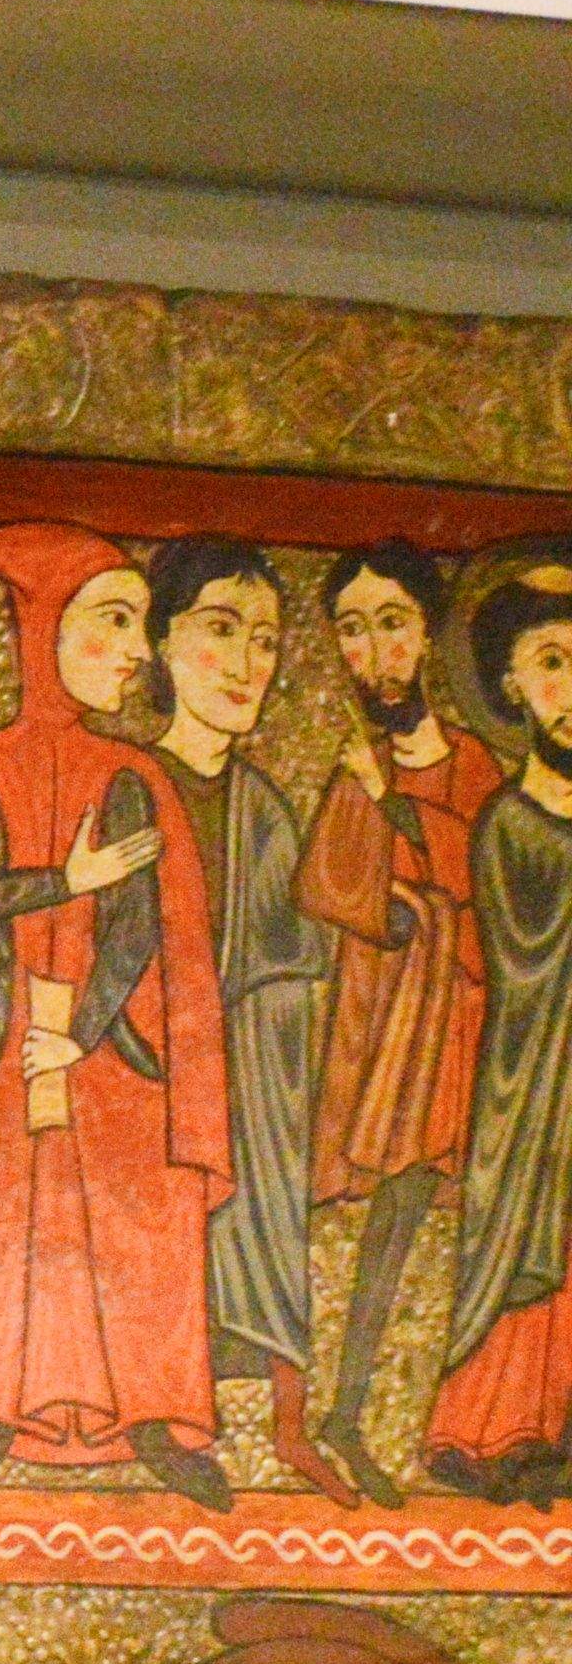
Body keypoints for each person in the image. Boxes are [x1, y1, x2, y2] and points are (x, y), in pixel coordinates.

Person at [0, 522, 232, 1508]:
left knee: (139, 1219)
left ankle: (160, 1421)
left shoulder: (134, 775)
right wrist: (61, 880)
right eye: (113, 620)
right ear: (44, 633)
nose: (134, 648)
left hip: (111, 1045)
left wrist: (79, 1031)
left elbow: (142, 925)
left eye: (137, 624)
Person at [306, 544, 509, 1483]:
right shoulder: (356, 768)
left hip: (476, 1035)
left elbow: (487, 890)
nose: (373, 650)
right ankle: (347, 1416)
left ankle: (486, 1425)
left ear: (427, 633)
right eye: (352, 629)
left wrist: (399, 822)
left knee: (490, 1236)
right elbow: (333, 887)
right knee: (390, 1226)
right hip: (397, 1041)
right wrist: (402, 882)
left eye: (391, 622)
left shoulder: (476, 767)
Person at [138, 541, 335, 1476]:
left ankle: (274, 1412)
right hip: (138, 1075)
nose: (248, 663)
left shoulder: (265, 808)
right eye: (221, 631)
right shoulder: (125, 786)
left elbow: (294, 970)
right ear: (161, 644)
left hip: (246, 1084)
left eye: (265, 639)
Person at [418, 563, 572, 1499]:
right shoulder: (511, 820)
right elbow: (526, 957)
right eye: (553, 662)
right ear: (511, 687)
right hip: (538, 1077)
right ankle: (504, 1425)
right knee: (533, 1246)